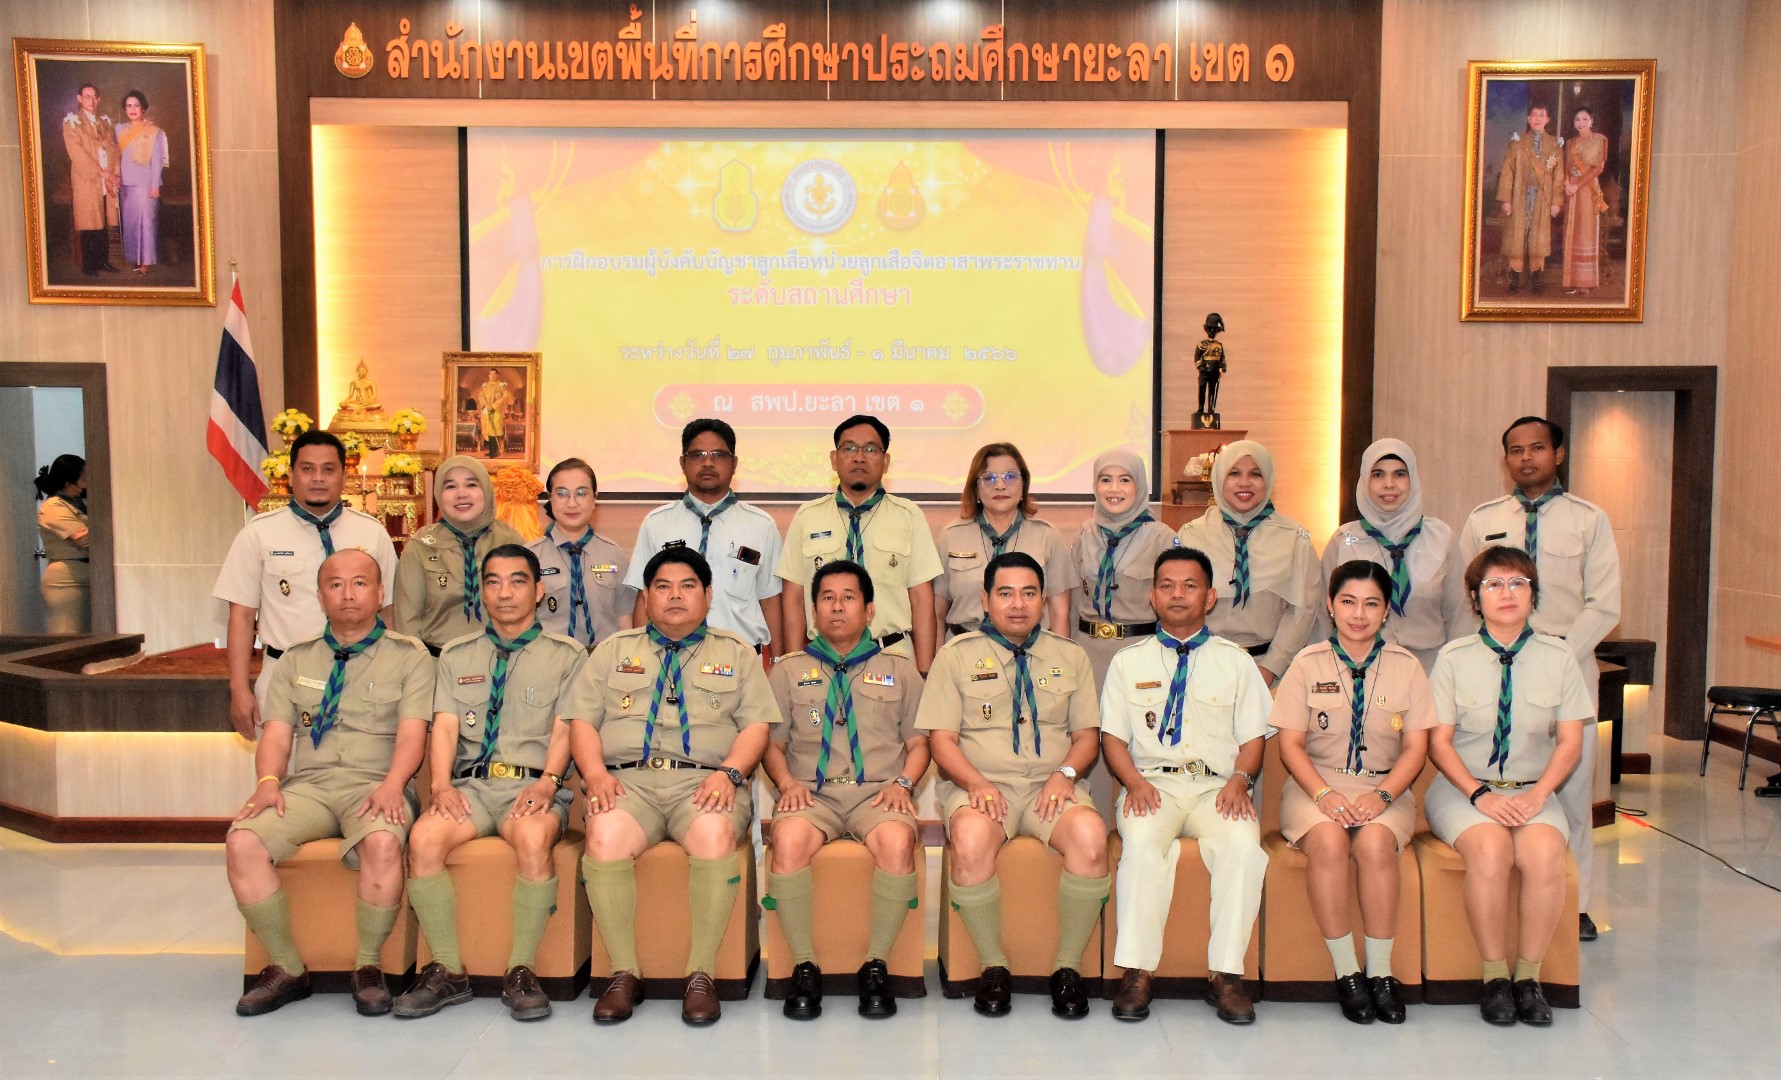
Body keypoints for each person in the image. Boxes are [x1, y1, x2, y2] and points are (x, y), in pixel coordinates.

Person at [563, 548, 779, 1026]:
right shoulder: (613, 651)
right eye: (663, 586)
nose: (675, 596)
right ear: (647, 596)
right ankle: (624, 972)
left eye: (687, 586)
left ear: (708, 595)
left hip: (705, 783)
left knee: (714, 836)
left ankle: (701, 974)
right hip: (627, 783)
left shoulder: (736, 653)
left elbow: (757, 727)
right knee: (604, 836)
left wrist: (730, 773)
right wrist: (595, 774)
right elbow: (582, 722)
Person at [226, 549, 432, 1017]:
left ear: (379, 593)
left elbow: (412, 734)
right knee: (242, 841)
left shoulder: (409, 656)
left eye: (360, 583)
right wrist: (268, 781)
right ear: (320, 595)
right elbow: (277, 734)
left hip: (376, 782)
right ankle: (286, 967)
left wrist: (394, 784)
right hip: (310, 786)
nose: (348, 594)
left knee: (382, 841)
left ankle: (368, 967)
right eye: (335, 584)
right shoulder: (296, 659)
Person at [392, 544, 587, 1022]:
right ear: (481, 592)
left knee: (533, 837)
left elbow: (567, 728)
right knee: (423, 839)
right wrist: (441, 785)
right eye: (493, 582)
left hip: (532, 786)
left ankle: (521, 971)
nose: (505, 592)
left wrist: (548, 784)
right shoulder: (457, 654)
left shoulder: (567, 655)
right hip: (471, 788)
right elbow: (445, 727)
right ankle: (447, 970)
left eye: (518, 581)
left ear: (538, 590)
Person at [917, 552, 1108, 1020]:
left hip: (1052, 786)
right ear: (985, 600)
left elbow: (1087, 738)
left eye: (1028, 593)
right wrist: (976, 783)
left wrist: (1065, 776)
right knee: (969, 840)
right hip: (979, 785)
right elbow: (941, 741)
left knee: (1090, 838)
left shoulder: (1070, 656)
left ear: (1043, 600)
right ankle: (993, 967)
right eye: (1005, 593)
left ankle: (1067, 968)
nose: (1017, 604)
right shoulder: (955, 656)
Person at [1460, 416, 1618, 941]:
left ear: (1559, 453)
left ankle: (1578, 904)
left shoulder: (1589, 520)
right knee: (1501, 774)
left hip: (1568, 663)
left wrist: (1554, 657)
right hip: (1498, 666)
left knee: (1573, 789)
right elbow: (1469, 598)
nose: (1526, 457)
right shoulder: (1484, 519)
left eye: (1537, 448)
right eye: (1515, 450)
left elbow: (1605, 604)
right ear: (1505, 458)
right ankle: (1509, 897)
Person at [1100, 548, 1269, 1026]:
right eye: (1167, 585)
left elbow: (1253, 738)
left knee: (1243, 848)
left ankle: (1226, 975)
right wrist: (1132, 782)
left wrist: (1241, 780)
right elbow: (1112, 738)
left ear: (1210, 597)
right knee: (1141, 847)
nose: (1178, 594)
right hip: (1151, 784)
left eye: (1190, 585)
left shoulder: (1237, 662)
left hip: (1218, 788)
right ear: (1153, 596)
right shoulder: (1127, 662)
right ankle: (1137, 972)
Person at [1425, 546, 1591, 1026]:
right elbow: (1439, 744)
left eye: (1519, 583)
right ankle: (1495, 977)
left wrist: (1537, 797)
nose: (1507, 593)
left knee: (1544, 855)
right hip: (1463, 790)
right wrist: (1481, 797)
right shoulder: (1453, 658)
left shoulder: (1560, 657)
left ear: (1533, 595)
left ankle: (1528, 979)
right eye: (1494, 584)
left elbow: (1570, 743)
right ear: (1475, 598)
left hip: (1534, 789)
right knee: (1491, 849)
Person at [762, 559, 928, 1019]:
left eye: (848, 598)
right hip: (811, 795)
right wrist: (786, 784)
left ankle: (876, 966)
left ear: (869, 610)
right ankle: (804, 967)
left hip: (878, 793)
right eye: (827, 598)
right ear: (814, 611)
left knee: (897, 842)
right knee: (788, 840)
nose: (837, 607)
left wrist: (904, 783)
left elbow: (920, 743)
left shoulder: (900, 669)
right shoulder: (787, 671)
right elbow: (771, 745)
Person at [1273, 560, 1434, 1025]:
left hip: (1384, 787)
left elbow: (1416, 748)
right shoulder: (1307, 664)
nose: (1358, 614)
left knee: (1375, 844)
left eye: (1371, 604)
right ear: (1330, 605)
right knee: (1327, 842)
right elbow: (1290, 745)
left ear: (1385, 611)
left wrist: (1382, 796)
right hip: (1315, 785)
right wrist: (1323, 795)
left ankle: (1380, 974)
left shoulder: (1407, 668)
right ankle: (1347, 973)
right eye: (1348, 601)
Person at [215, 430, 397, 739]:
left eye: (329, 469)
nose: (318, 478)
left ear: (344, 476)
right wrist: (239, 689)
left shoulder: (372, 533)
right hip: (285, 676)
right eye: (307, 468)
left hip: (361, 675)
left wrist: (390, 677)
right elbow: (241, 617)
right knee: (280, 766)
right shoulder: (259, 534)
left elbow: (389, 611)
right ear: (290, 475)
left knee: (362, 765)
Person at [776, 414, 943, 674]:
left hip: (891, 658)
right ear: (834, 459)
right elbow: (794, 600)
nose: (859, 457)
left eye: (871, 449)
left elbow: (922, 601)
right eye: (850, 448)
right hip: (821, 660)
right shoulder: (807, 516)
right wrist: (795, 668)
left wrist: (923, 672)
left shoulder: (909, 516)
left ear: (885, 462)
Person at [626, 419, 783, 657]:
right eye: (697, 455)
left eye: (718, 455)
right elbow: (644, 598)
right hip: (670, 657)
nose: (708, 462)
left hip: (741, 659)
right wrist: (642, 659)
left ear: (734, 463)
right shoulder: (656, 524)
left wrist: (779, 662)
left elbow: (770, 599)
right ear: (682, 463)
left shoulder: (761, 526)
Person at [1313, 439, 1469, 671]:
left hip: (1430, 670)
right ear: (1364, 480)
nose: (1389, 484)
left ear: (1413, 479)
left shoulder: (1441, 537)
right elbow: (1323, 617)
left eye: (1399, 474)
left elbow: (1460, 615)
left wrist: (1457, 672)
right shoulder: (1343, 540)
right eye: (1377, 474)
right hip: (1358, 669)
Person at [1176, 440, 1320, 686]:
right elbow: (1177, 607)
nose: (1245, 483)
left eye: (1255, 474)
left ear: (1269, 480)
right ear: (1219, 478)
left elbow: (1303, 611)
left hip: (1273, 674)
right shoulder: (1191, 536)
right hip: (1200, 667)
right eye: (1234, 473)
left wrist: (1269, 669)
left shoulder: (1295, 539)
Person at [934, 442, 1076, 639]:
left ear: (1024, 484)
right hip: (966, 648)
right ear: (975, 488)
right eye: (988, 478)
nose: (1000, 485)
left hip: (1029, 650)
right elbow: (936, 613)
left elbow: (1060, 614)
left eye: (1010, 476)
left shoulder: (1047, 536)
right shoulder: (951, 537)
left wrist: (1060, 657)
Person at [1070, 449, 1180, 687]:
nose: (1114, 489)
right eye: (1105, 480)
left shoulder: (1162, 539)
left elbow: (1176, 608)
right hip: (1087, 656)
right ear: (1095, 486)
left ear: (1139, 486)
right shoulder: (1084, 536)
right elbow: (1074, 603)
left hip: (1143, 654)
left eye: (1125, 480)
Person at [395, 455, 524, 655]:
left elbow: (527, 611)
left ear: (486, 490)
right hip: (437, 663)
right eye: (450, 486)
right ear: (439, 494)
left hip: (502, 661)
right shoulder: (421, 546)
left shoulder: (511, 542)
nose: (461, 494)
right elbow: (407, 623)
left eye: (471, 484)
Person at [529, 457, 634, 648]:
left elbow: (624, 619)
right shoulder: (530, 557)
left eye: (581, 493)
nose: (572, 503)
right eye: (562, 494)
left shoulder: (613, 554)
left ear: (594, 499)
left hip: (604, 659)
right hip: (550, 659)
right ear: (550, 498)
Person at [1495, 102, 1564, 295]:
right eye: (1534, 115)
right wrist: (1506, 200)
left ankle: (1537, 278)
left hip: (1543, 198)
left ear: (1547, 119)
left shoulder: (1555, 146)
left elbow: (1559, 177)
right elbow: (1507, 172)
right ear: (1528, 119)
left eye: (1541, 115)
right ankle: (1514, 278)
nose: (1537, 119)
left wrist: (1556, 202)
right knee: (1517, 237)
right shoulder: (1518, 144)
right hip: (1520, 196)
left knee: (1539, 237)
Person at [61, 83, 119, 276]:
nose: (91, 100)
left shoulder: (104, 122)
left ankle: (103, 261)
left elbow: (113, 149)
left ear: (99, 99)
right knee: (89, 223)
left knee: (103, 222)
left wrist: (114, 174)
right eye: (87, 96)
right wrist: (101, 172)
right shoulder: (72, 123)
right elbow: (77, 153)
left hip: (106, 180)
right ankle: (89, 265)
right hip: (88, 180)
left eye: (94, 97)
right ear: (79, 98)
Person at [33, 454, 90, 634]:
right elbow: (83, 538)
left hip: (86, 576)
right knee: (68, 636)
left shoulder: (78, 503)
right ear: (69, 481)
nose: (88, 479)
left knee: (88, 639)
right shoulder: (53, 506)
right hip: (67, 581)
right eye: (84, 475)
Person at [114, 90, 168, 275]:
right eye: (129, 106)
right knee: (131, 224)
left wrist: (155, 185)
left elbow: (157, 160)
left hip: (146, 185)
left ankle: (145, 262)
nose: (133, 109)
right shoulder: (120, 129)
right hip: (126, 184)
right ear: (125, 109)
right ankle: (135, 258)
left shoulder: (154, 132)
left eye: (136, 105)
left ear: (143, 108)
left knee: (146, 224)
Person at [1559, 105, 1609, 295]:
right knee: (1572, 232)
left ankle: (1586, 282)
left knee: (1586, 232)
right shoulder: (1570, 143)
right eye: (1577, 119)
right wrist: (1567, 184)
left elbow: (1598, 168)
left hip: (1588, 189)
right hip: (1572, 191)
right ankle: (1573, 280)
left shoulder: (1599, 140)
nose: (1581, 122)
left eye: (1585, 119)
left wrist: (1577, 185)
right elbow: (1566, 166)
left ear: (1591, 121)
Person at [1195, 313, 1227, 419]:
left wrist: (1223, 366)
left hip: (1214, 371)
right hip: (1204, 371)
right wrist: (1200, 367)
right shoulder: (1201, 344)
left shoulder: (1219, 345)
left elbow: (1222, 358)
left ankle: (1210, 408)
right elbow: (1197, 357)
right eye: (1210, 329)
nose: (1212, 331)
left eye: (1214, 329)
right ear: (1207, 330)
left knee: (1212, 390)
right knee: (1202, 388)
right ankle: (1201, 408)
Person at [475, 370, 510, 458]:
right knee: (488, 431)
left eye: (494, 374)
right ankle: (491, 451)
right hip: (486, 409)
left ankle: (495, 452)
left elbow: (504, 397)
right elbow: (481, 396)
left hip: (496, 410)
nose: (492, 375)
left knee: (495, 431)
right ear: (489, 375)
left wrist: (493, 406)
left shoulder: (501, 386)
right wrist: (486, 405)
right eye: (490, 374)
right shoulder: (485, 386)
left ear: (497, 375)